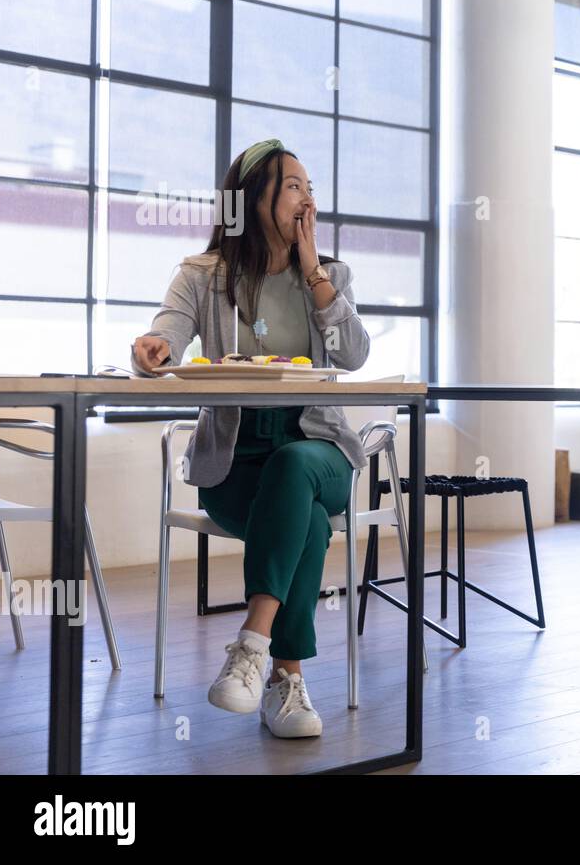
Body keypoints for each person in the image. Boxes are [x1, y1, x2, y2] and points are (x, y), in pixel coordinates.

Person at [131, 138, 371, 738]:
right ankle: (286, 682)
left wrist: (314, 270)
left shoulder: (331, 275)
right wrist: (151, 350)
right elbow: (166, 336)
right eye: (293, 185)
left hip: (319, 449)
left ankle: (251, 644)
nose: (307, 198)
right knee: (308, 523)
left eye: (310, 188)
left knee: (295, 470)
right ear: (251, 197)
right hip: (233, 464)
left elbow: (355, 356)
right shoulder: (201, 276)